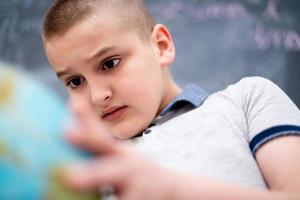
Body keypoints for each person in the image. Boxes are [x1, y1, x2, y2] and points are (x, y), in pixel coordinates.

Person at [42, 0, 300, 199]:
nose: (98, 97)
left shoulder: (246, 101)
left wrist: (168, 188)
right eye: (75, 81)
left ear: (161, 46)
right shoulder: (83, 169)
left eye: (110, 63)